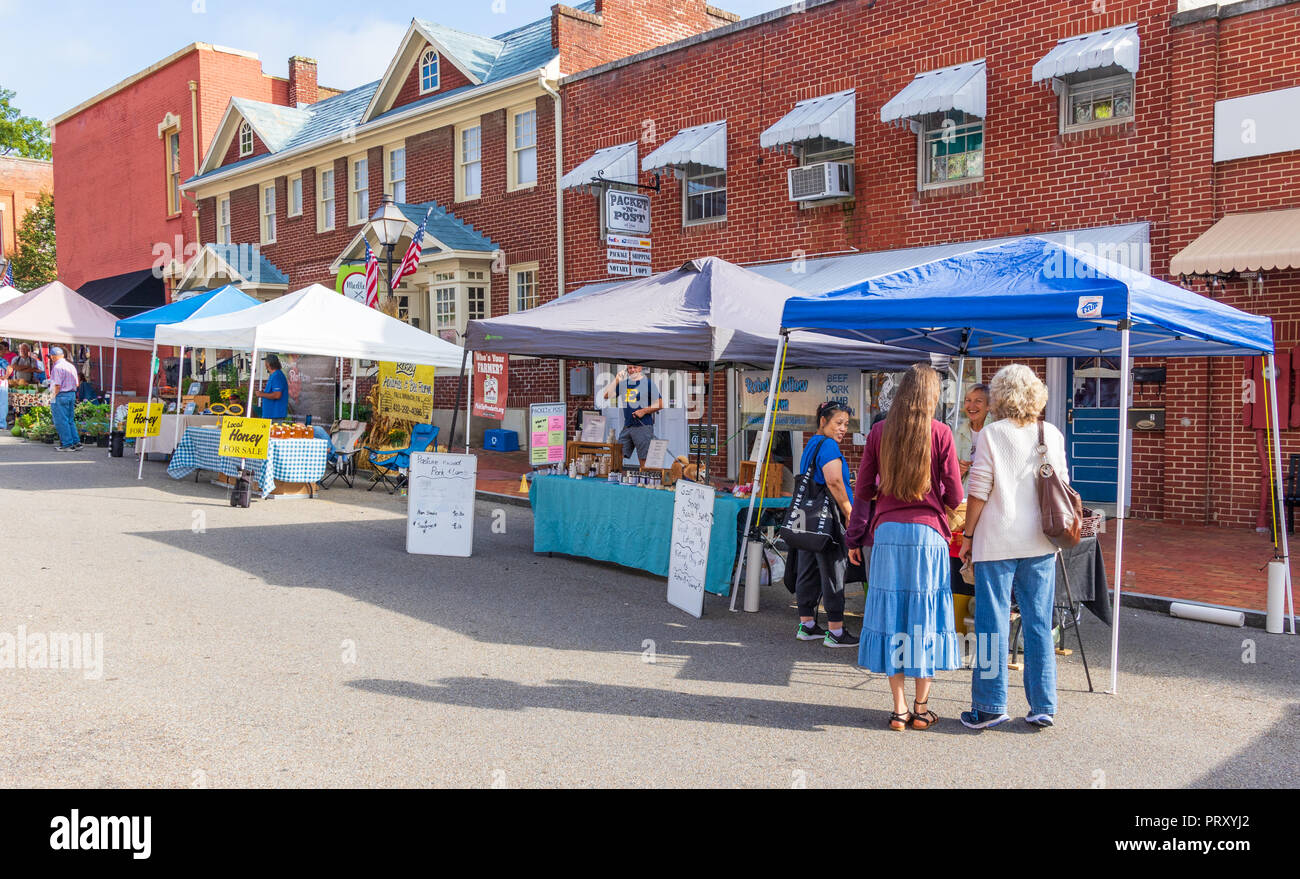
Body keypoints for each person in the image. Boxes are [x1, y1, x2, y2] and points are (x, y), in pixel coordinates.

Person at [846, 364, 964, 730]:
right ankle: (921, 707)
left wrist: (855, 535)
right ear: (932, 396)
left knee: (891, 615)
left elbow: (863, 490)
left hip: (887, 535)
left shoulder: (879, 432)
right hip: (928, 537)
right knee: (923, 618)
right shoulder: (942, 433)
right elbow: (956, 494)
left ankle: (898, 710)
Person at [959, 364, 1068, 730]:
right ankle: (1043, 705)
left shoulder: (992, 434)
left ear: (999, 397)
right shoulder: (1050, 433)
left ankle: (990, 706)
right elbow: (1064, 484)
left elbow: (978, 491)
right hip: (1041, 540)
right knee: (1038, 622)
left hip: (997, 539)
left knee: (993, 624)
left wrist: (967, 536)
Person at [791, 401, 859, 648]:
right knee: (833, 570)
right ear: (823, 421)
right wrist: (849, 511)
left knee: (807, 568)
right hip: (827, 519)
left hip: (807, 519)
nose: (843, 429)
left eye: (846, 424)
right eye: (838, 423)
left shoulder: (812, 443)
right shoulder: (829, 445)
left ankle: (807, 625)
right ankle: (836, 631)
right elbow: (834, 482)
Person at [601, 364, 663, 464]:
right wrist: (616, 379)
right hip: (628, 426)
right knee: (617, 456)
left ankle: (643, 480)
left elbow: (660, 404)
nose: (632, 370)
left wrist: (643, 411)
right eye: (630, 368)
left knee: (644, 460)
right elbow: (606, 395)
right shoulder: (624, 384)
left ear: (640, 368)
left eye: (635, 367)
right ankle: (618, 478)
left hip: (643, 426)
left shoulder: (648, 383)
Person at [46, 346, 81, 451]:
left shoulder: (57, 368)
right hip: (71, 394)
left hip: (60, 395)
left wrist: (51, 397)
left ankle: (67, 444)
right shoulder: (71, 366)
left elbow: (57, 386)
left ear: (52, 357)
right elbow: (77, 383)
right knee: (70, 420)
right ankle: (76, 442)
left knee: (61, 421)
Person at [955, 383, 990, 480]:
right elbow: (949, 475)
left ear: (988, 406)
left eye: (978, 401)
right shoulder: (958, 433)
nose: (971, 406)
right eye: (968, 400)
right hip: (964, 494)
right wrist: (957, 470)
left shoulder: (995, 431)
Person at [255, 354, 289, 420]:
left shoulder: (277, 376)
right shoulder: (274, 375)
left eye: (265, 362)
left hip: (275, 415)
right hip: (271, 414)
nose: (265, 364)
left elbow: (277, 395)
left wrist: (261, 394)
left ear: (268, 364)